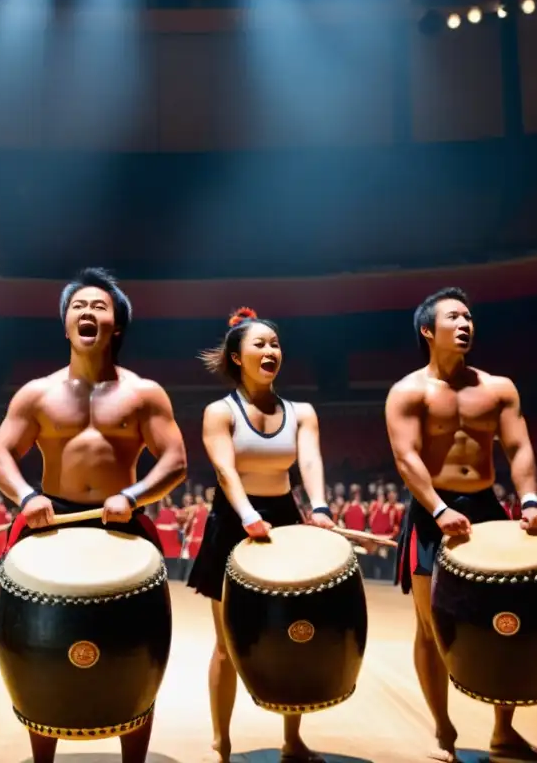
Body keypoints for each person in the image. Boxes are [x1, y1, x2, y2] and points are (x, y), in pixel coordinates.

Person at [0, 267, 187, 763]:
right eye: (79, 306)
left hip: (122, 521)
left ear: (116, 325)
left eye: (100, 306)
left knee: (135, 643)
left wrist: (136, 495)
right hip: (51, 521)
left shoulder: (144, 393)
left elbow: (175, 461)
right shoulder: (36, 393)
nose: (88, 312)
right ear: (65, 324)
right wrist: (27, 497)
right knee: (40, 642)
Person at [385, 287, 537, 763]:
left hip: (487, 509)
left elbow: (518, 449)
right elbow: (405, 456)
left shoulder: (499, 388)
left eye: (469, 316)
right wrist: (437, 508)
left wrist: (531, 499)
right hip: (431, 512)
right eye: (454, 316)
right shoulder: (408, 391)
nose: (465, 323)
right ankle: (443, 732)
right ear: (427, 330)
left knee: (505, 624)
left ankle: (503, 732)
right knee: (430, 627)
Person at [187, 307, 336, 763]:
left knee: (294, 634)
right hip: (234, 520)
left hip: (285, 516)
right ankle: (221, 741)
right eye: (260, 344)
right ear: (236, 356)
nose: (271, 351)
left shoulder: (302, 412)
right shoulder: (219, 412)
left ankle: (292, 740)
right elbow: (225, 470)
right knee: (227, 645)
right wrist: (248, 515)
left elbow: (308, 462)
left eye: (275, 344)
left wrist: (322, 508)